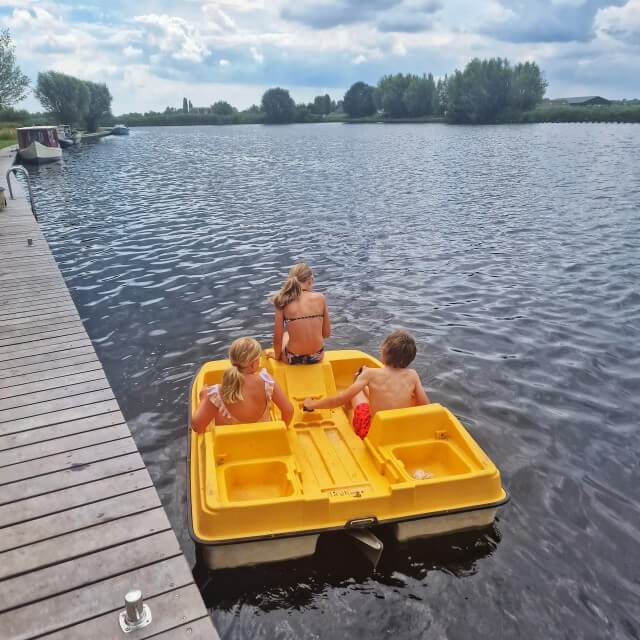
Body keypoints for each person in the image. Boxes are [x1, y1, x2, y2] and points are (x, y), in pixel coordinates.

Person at [302, 330, 429, 438]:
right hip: (397, 433)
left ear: (384, 352)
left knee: (353, 391)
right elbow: (425, 405)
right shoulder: (413, 375)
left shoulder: (370, 375)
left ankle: (347, 412)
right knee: (366, 390)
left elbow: (339, 399)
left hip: (371, 433)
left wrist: (312, 404)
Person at [191, 337, 293, 432]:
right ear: (254, 364)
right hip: (262, 439)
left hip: (229, 445)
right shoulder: (267, 382)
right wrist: (282, 429)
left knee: (217, 406)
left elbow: (197, 426)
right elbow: (288, 411)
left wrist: (204, 398)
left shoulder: (216, 393)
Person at [270, 263, 331, 365]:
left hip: (293, 358)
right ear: (310, 280)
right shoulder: (320, 298)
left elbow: (277, 339)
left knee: (285, 335)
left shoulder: (282, 300)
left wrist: (276, 356)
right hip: (317, 356)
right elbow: (326, 334)